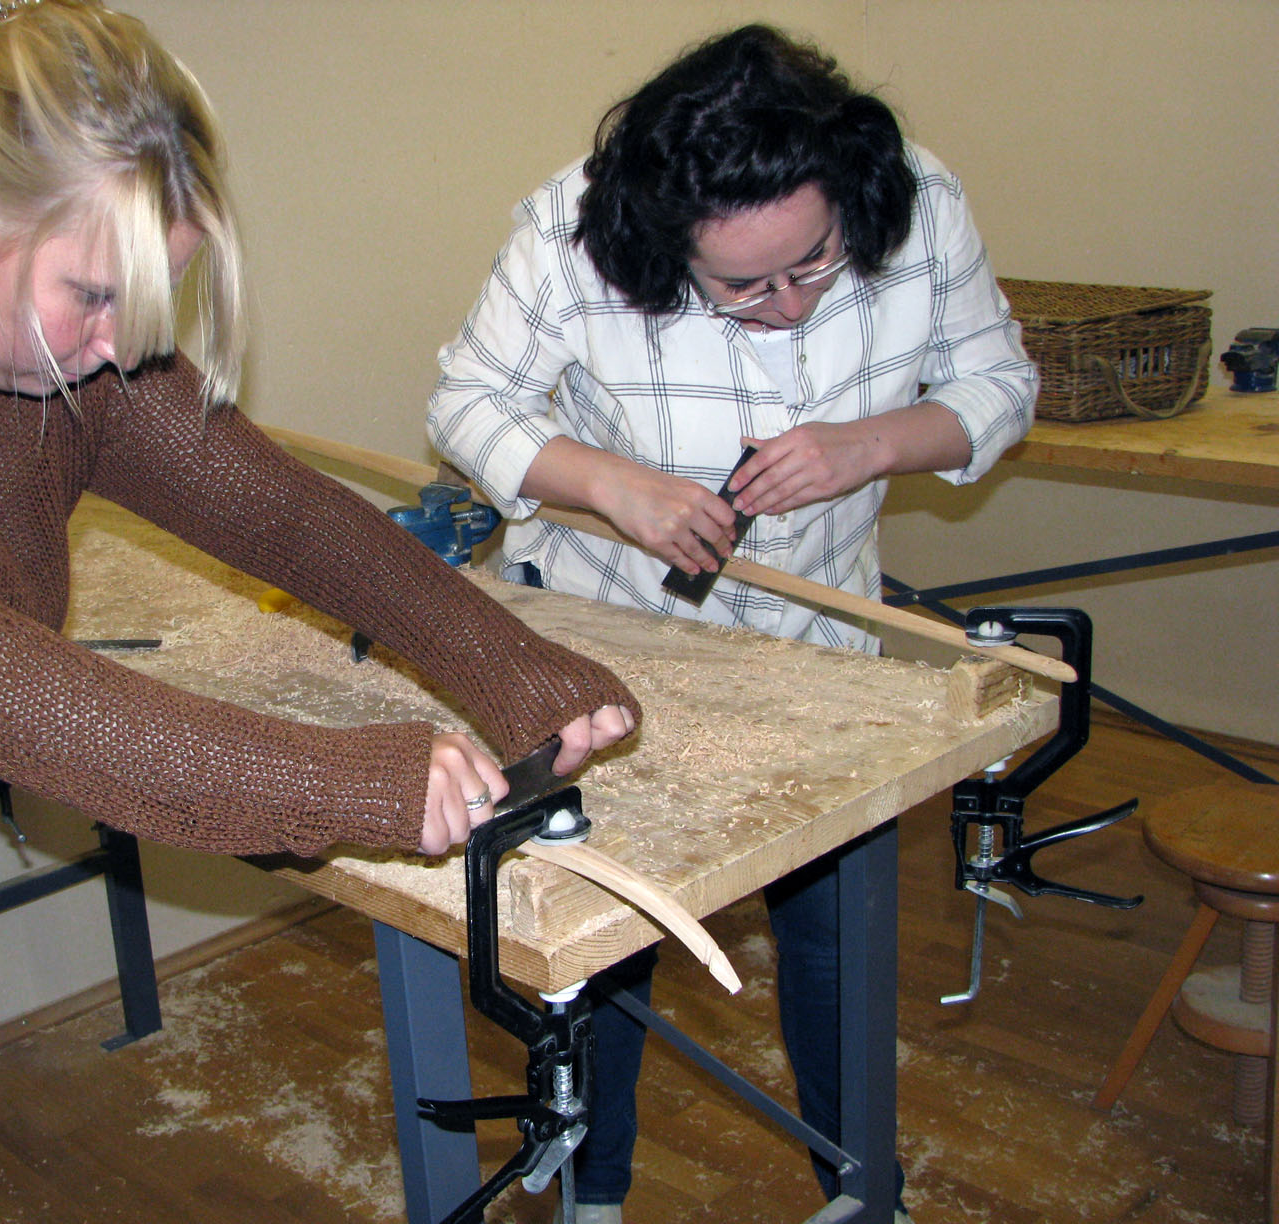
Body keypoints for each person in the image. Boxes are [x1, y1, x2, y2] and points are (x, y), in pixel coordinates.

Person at [0, 2, 640, 1221]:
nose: (120, 348)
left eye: (147, 300)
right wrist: (349, 780)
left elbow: (280, 512)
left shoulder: (52, 350)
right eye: (94, 295)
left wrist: (510, 665)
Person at [427, 24, 1037, 1224]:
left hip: (821, 646)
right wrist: (613, 486)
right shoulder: (573, 231)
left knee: (835, 936)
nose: (786, 310)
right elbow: (466, 402)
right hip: (616, 642)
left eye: (814, 265)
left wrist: (869, 446)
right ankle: (595, 1197)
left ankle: (860, 1193)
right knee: (609, 939)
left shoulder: (918, 201)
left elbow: (1000, 384)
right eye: (741, 289)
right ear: (664, 246)